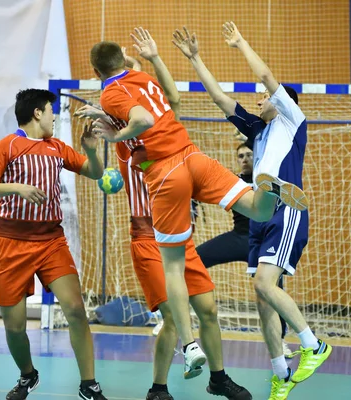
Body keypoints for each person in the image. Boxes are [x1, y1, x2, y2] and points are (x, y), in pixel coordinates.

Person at [80, 24, 308, 390]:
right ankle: (272, 188)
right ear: (126, 63)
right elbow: (170, 100)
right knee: (258, 209)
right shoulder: (142, 84)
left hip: (167, 185)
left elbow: (138, 119)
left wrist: (113, 131)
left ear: (97, 74)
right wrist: (154, 60)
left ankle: (194, 352)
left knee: (187, 285)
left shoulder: (123, 121)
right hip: (189, 159)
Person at [172, 22, 331, 399]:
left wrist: (240, 42)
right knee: (262, 298)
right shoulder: (257, 131)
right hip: (261, 217)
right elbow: (219, 98)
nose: (260, 99)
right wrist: (195, 59)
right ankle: (280, 373)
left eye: (265, 97)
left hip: (285, 209)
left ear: (283, 102)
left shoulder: (292, 121)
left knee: (263, 285)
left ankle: (314, 345)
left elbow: (265, 75)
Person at [0, 89, 107, 400]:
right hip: (11, 243)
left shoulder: (58, 148)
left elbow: (95, 173)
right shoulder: (7, 146)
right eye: (51, 111)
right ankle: (27, 375)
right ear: (36, 114)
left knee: (75, 309)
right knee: (15, 327)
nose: (54, 117)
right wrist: (18, 188)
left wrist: (91, 150)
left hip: (51, 241)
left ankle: (89, 384)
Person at [195, 141, 298, 359]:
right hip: (239, 237)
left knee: (271, 289)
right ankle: (175, 318)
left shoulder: (268, 181)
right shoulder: (233, 181)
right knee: (193, 259)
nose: (244, 159)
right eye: (240, 155)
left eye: (249, 154)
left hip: (263, 244)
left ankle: (280, 341)